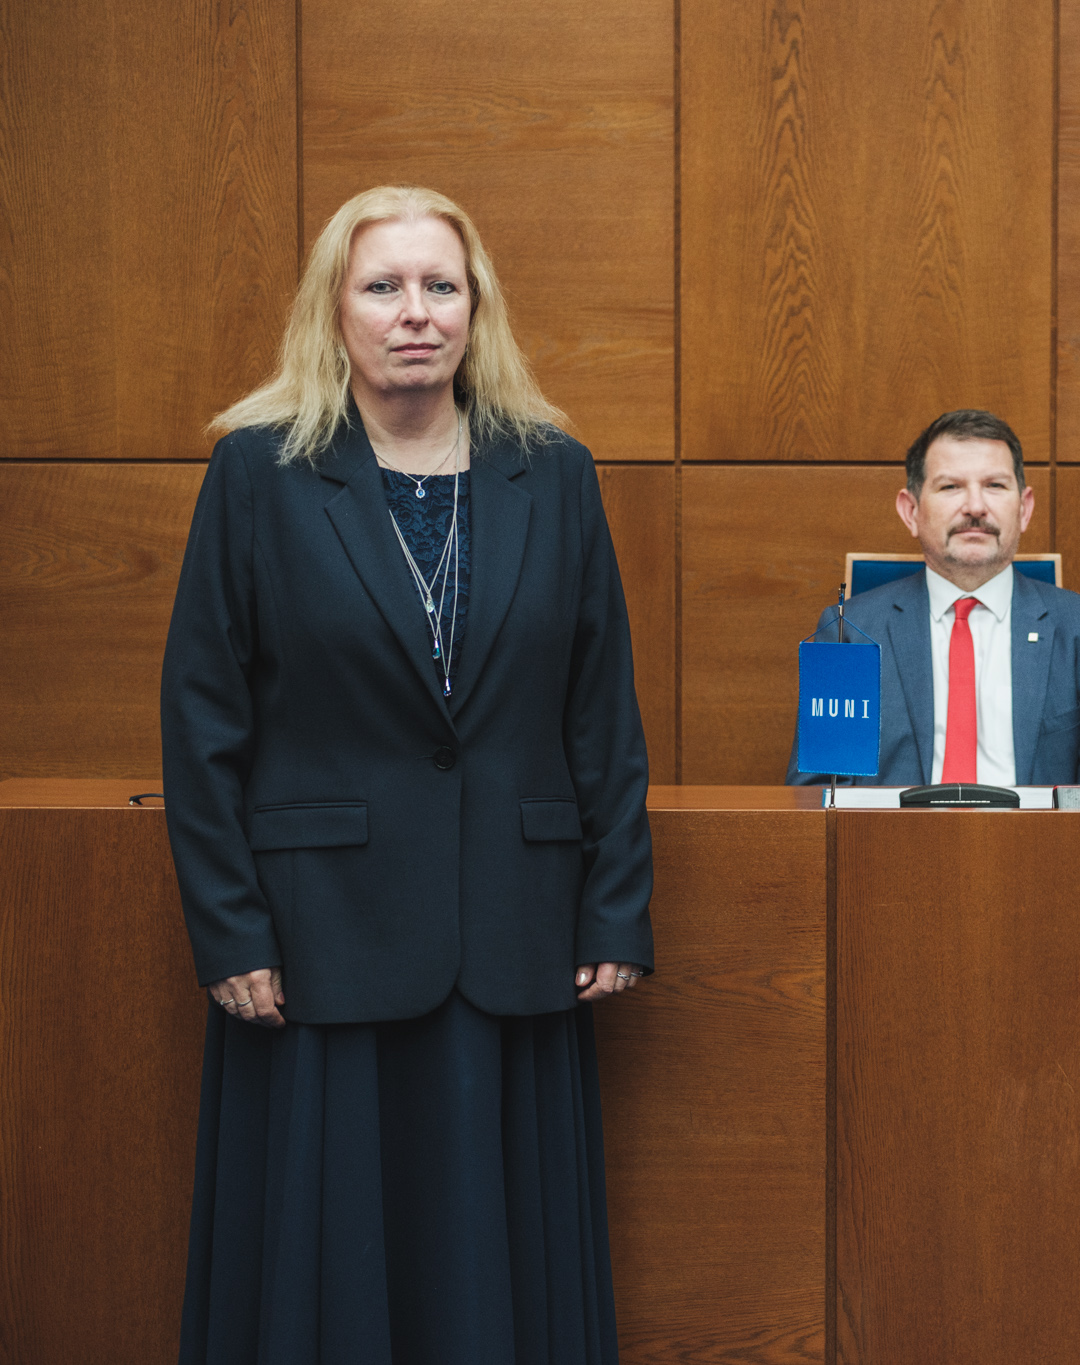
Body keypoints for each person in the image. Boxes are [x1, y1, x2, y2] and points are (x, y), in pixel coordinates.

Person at [161, 184, 651, 1365]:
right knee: (332, 1269)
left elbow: (602, 716)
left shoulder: (557, 474)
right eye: (382, 287)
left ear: (475, 311)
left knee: (497, 1270)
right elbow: (201, 721)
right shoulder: (258, 477)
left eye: (440, 286)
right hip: (320, 939)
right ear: (334, 314)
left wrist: (616, 906)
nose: (413, 313)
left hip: (516, 934)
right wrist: (231, 934)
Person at [785, 409, 1080, 787]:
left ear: (1025, 509)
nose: (975, 506)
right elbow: (818, 798)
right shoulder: (849, 634)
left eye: (995, 486)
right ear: (911, 511)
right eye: (950, 487)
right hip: (889, 844)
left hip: (1035, 845)